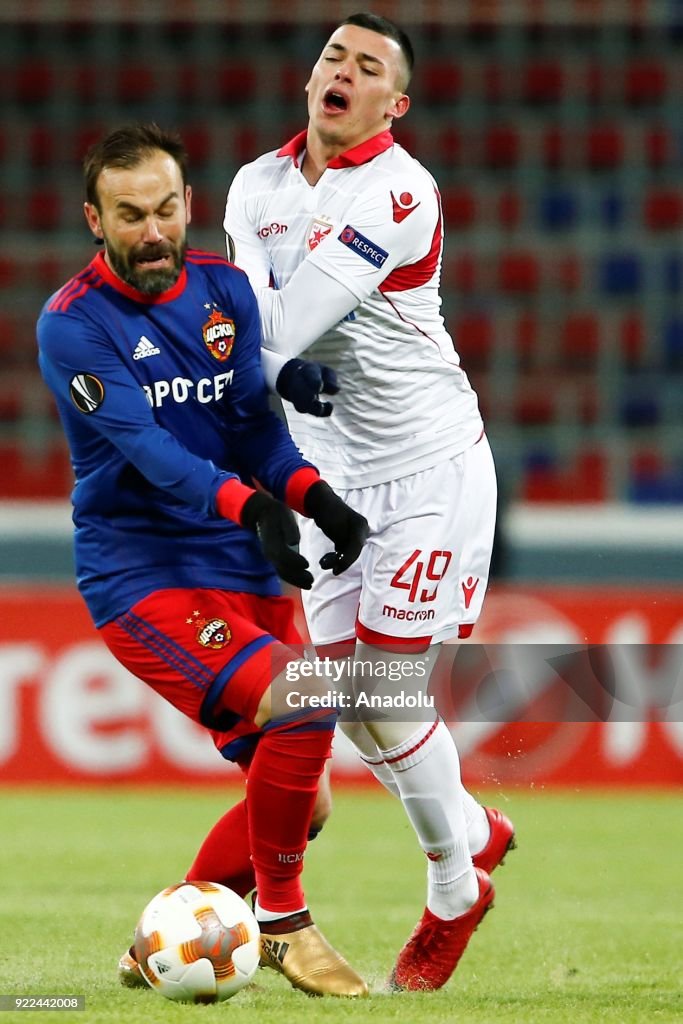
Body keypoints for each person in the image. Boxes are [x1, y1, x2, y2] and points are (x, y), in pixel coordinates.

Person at [36, 122, 370, 999]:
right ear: (94, 221)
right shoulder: (73, 325)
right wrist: (252, 507)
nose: (153, 231)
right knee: (306, 703)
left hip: (248, 559)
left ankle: (161, 948)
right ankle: (286, 928)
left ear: (190, 206)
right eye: (129, 214)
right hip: (146, 574)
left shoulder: (225, 291)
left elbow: (254, 432)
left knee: (303, 800)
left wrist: (312, 499)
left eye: (167, 209)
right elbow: (149, 450)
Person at [222, 12, 516, 992]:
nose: (339, 72)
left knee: (386, 692)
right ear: (310, 79)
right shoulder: (254, 187)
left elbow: (281, 322)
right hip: (330, 472)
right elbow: (240, 328)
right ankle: (472, 825)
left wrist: (226, 355)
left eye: (367, 67)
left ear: (395, 103)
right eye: (330, 57)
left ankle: (450, 886)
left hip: (426, 463)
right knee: (349, 706)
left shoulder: (398, 186)